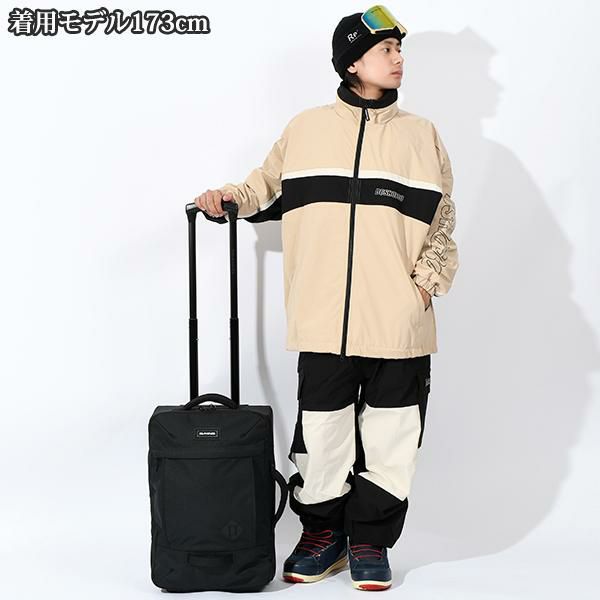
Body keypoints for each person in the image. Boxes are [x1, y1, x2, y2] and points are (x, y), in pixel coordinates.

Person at [194, 5, 458, 592]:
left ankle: (370, 541)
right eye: (386, 49)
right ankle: (324, 535)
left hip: (397, 321)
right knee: (322, 434)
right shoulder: (307, 129)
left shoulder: (421, 135)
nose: (399, 59)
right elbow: (263, 186)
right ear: (352, 61)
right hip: (322, 318)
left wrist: (423, 285)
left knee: (392, 436)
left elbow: (443, 221)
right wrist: (226, 197)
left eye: (399, 49)